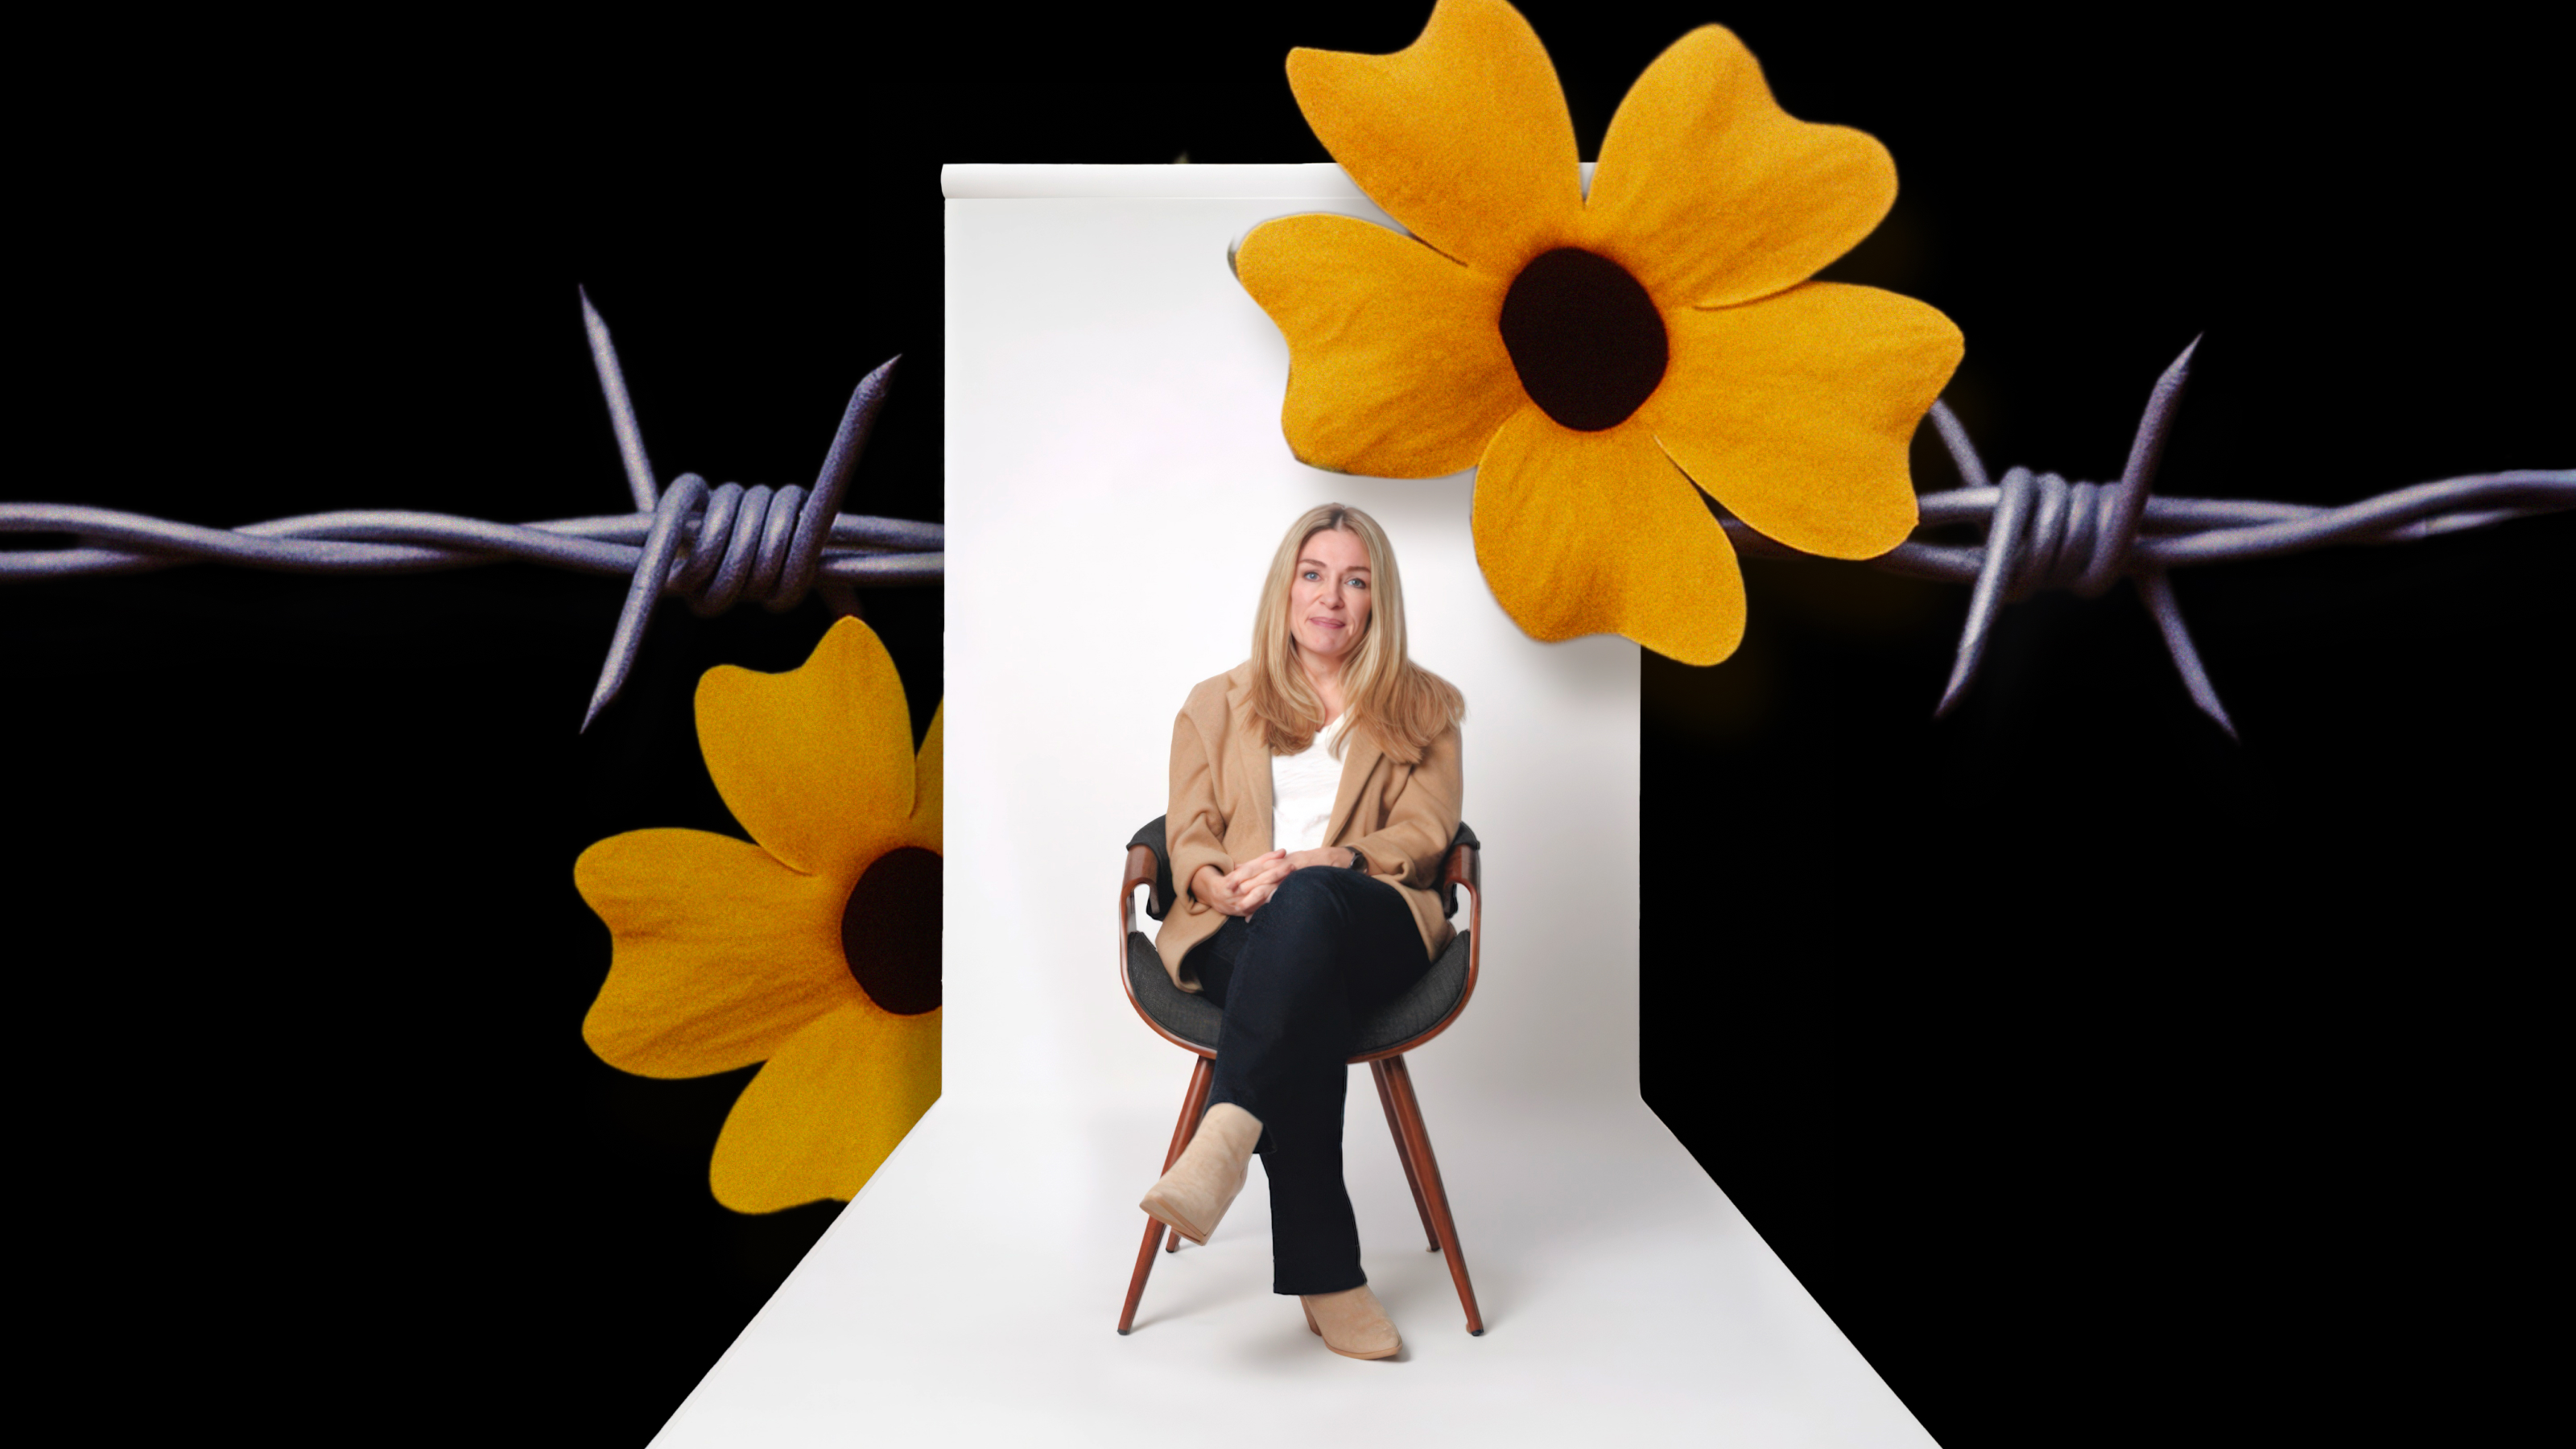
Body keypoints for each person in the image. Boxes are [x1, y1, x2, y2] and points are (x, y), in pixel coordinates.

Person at [1138, 502, 1464, 1361]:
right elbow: (1188, 831)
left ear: (1376, 600)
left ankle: (1228, 1130)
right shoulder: (1216, 703)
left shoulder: (1423, 707)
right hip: (1239, 926)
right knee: (1294, 977)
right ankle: (1328, 1277)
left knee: (1307, 908)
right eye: (1313, 575)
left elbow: (1427, 835)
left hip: (1371, 918)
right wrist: (1215, 880)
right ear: (1285, 589)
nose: (1331, 597)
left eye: (1354, 580)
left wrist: (1325, 859)